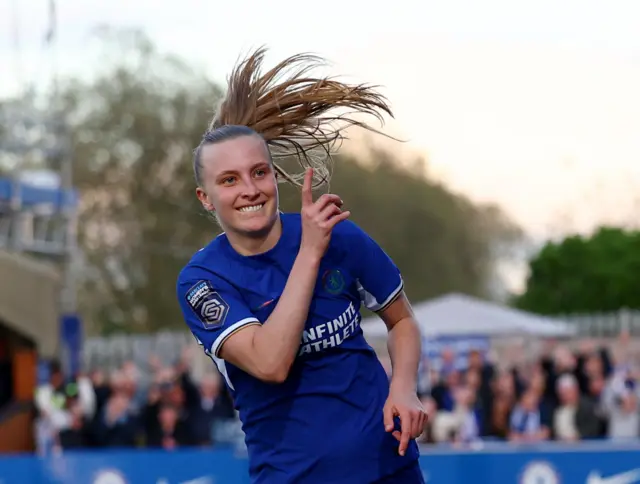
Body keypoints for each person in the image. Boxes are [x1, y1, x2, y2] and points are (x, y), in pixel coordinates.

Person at [176, 47, 426, 484]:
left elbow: (401, 319)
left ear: (275, 176)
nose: (250, 190)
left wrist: (403, 386)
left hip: (390, 468)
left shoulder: (339, 235)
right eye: (229, 180)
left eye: (259, 172)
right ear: (205, 197)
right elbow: (271, 363)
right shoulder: (203, 281)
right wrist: (310, 253)